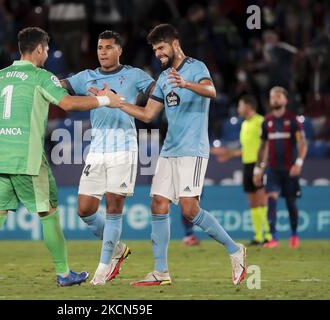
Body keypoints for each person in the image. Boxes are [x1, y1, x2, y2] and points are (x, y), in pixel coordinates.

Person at [92, 24, 247, 286]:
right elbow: (148, 114)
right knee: (158, 204)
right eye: (154, 50)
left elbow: (211, 91)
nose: (158, 54)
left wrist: (187, 83)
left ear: (174, 44)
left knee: (189, 210)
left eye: (161, 48)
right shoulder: (163, 78)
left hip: (193, 150)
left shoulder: (196, 68)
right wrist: (118, 102)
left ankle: (235, 250)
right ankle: (160, 272)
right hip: (169, 150)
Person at [0, 27, 122, 288]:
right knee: (48, 214)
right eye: (47, 50)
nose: (47, 54)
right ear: (39, 49)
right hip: (27, 160)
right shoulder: (41, 77)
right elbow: (68, 105)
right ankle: (64, 274)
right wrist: (106, 100)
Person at [60, 30, 155, 285]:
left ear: (119, 50)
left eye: (108, 47)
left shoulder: (134, 75)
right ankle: (117, 249)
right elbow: (60, 86)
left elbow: (158, 91)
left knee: (114, 207)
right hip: (97, 150)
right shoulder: (86, 77)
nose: (103, 51)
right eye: (100, 47)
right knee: (85, 209)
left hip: (124, 148)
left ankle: (102, 270)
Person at [212, 95, 272, 246]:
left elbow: (267, 146)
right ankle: (258, 236)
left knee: (261, 200)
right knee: (252, 201)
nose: (238, 109)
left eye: (240, 105)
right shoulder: (245, 124)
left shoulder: (261, 121)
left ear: (249, 107)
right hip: (247, 164)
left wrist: (262, 166)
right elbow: (245, 148)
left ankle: (270, 236)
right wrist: (229, 154)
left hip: (259, 165)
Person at [254, 86, 308, 249]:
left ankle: (294, 235)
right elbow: (263, 147)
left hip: (290, 169)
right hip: (272, 169)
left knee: (291, 203)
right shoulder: (267, 121)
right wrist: (258, 169)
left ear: (285, 100)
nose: (275, 99)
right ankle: (274, 238)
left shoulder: (293, 121)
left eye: (278, 96)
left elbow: (303, 144)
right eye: (272, 97)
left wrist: (298, 163)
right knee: (271, 199)